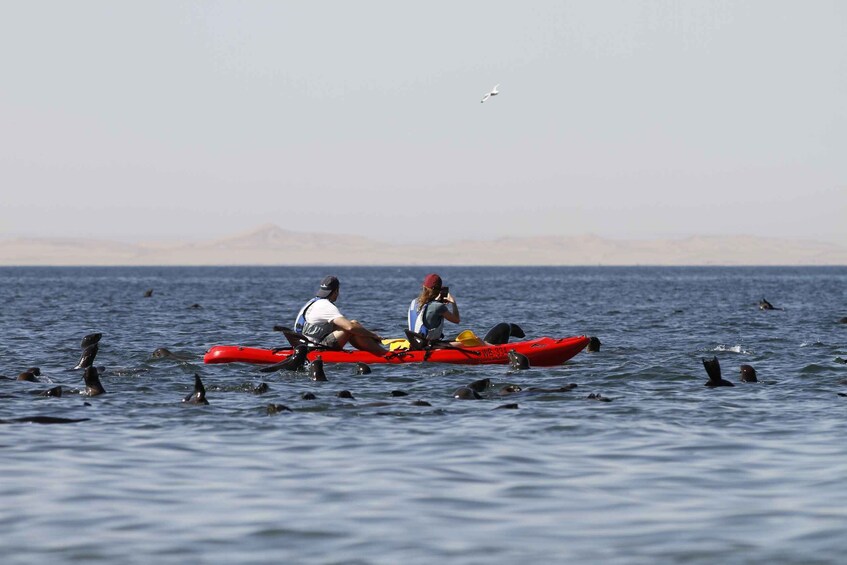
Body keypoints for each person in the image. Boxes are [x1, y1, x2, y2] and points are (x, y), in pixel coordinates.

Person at [294, 276, 388, 356]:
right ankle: (384, 354)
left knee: (354, 326)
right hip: (315, 349)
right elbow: (350, 327)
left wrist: (366, 333)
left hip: (302, 346)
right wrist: (373, 335)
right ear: (336, 291)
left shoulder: (312, 302)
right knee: (352, 326)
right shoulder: (326, 306)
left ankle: (376, 350)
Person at [407, 273, 460, 345]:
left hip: (414, 344)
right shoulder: (438, 306)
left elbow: (428, 309)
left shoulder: (414, 302)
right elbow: (456, 320)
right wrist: (453, 302)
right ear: (439, 290)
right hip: (429, 346)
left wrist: (438, 302)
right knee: (470, 342)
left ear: (424, 287)